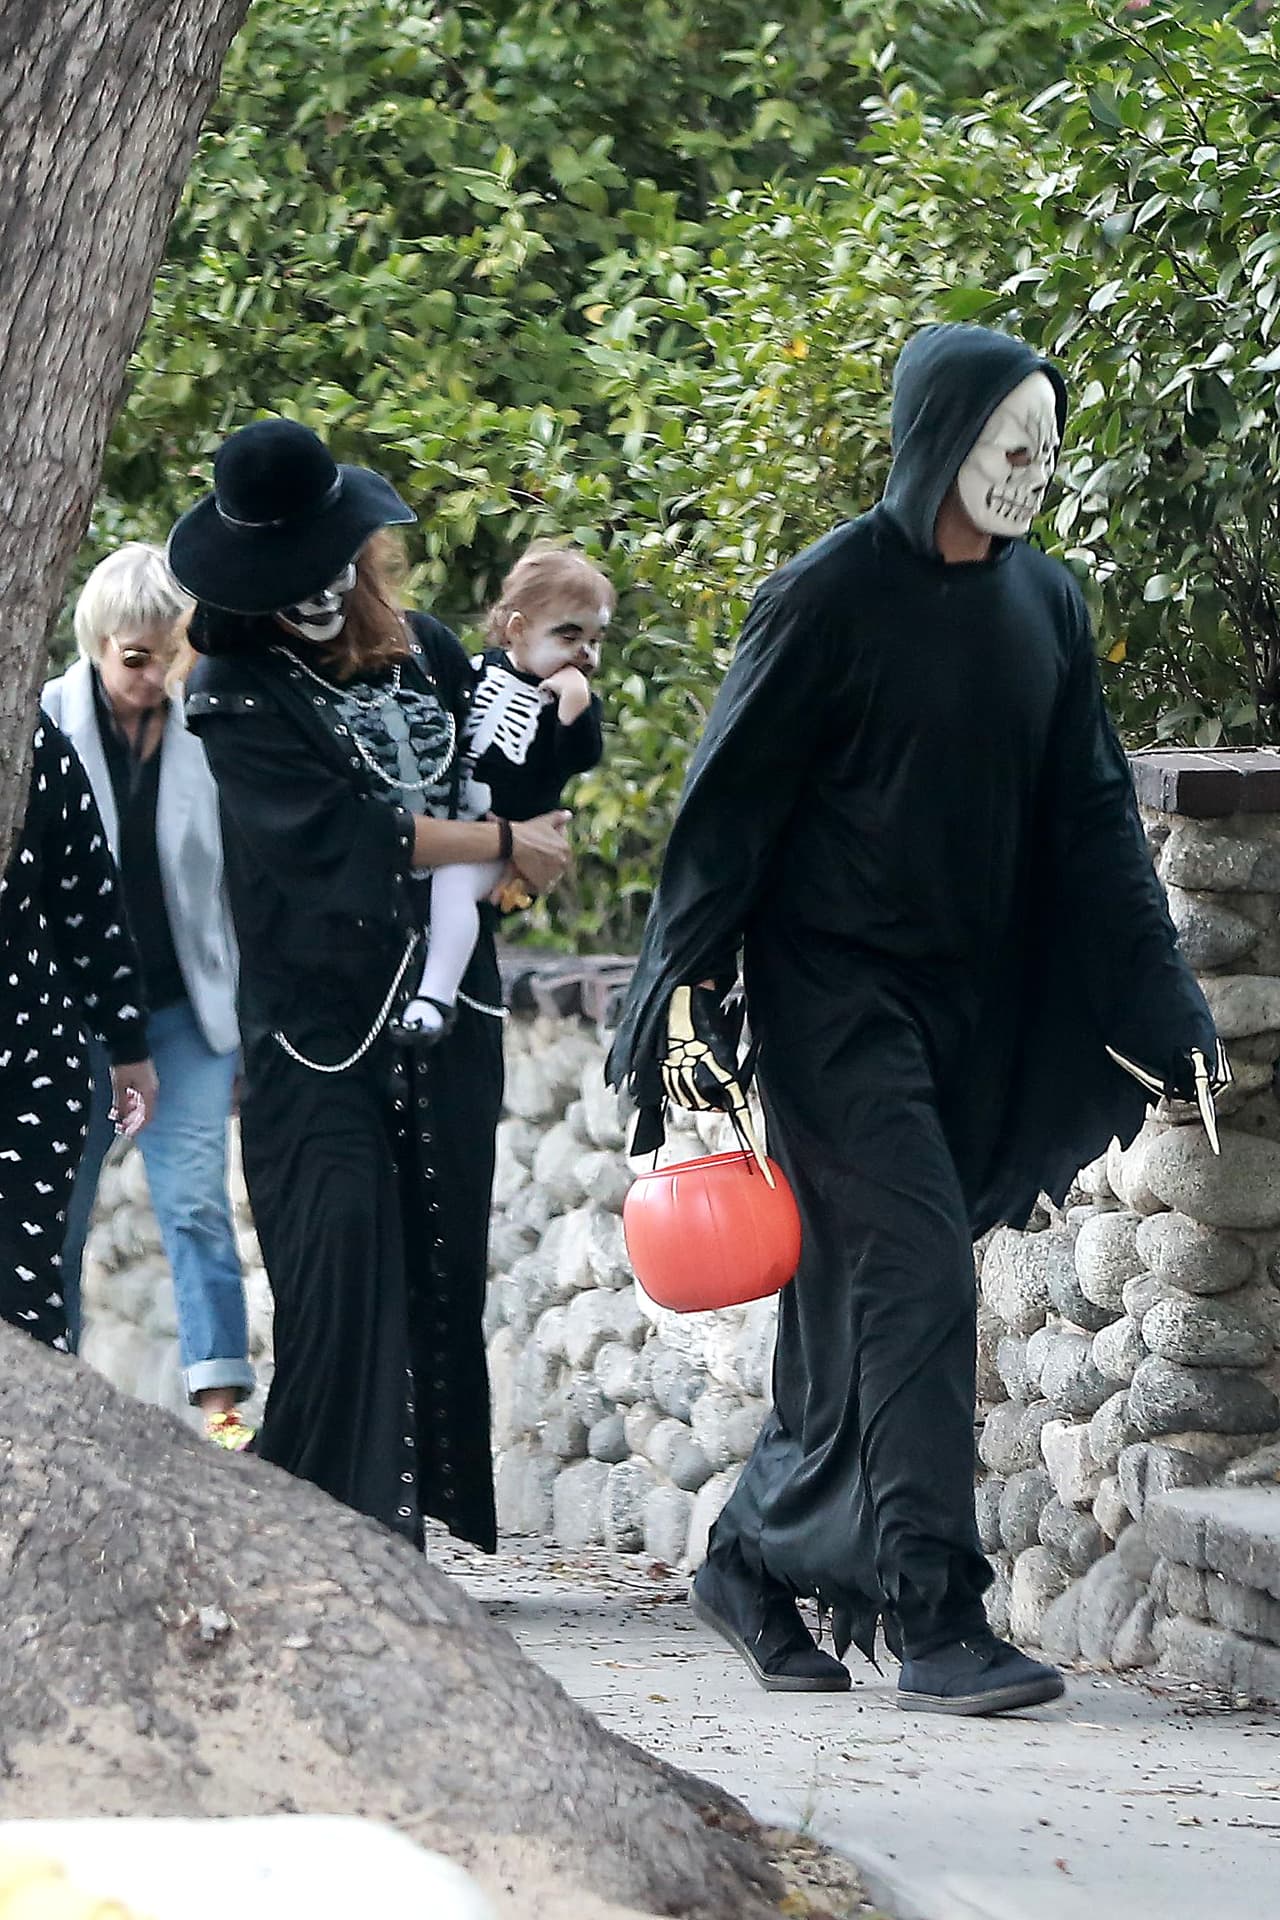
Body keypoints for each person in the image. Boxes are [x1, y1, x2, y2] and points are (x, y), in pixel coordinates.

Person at [607, 322, 1226, 1716]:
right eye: (1011, 443)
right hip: (832, 1005)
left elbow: (1091, 819)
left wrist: (1162, 998)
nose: (1030, 470)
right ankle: (933, 1614)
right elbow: (726, 812)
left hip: (969, 1010)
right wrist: (683, 997)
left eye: (1048, 448)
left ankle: (750, 1560)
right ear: (938, 439)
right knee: (920, 1282)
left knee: (860, 1304)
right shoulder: (825, 597)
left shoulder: (1045, 605)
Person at [167, 418, 573, 1549]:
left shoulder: (428, 650)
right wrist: (499, 841)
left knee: (437, 1260)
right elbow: (338, 839)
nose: (320, 590)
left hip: (444, 1010)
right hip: (314, 1024)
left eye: (332, 560)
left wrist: (527, 831)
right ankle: (330, 1528)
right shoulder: (233, 692)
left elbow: (498, 767)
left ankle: (400, 1533)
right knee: (339, 1251)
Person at [45, 544, 254, 1449]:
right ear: (96, 644)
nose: (155, 678)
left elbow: (238, 876)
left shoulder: (207, 725)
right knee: (57, 1206)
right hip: (73, 1013)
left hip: (183, 1007)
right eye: (136, 658)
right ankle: (47, 1390)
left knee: (197, 1202)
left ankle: (222, 1408)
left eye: (170, 658)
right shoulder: (44, 722)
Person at [394, 541, 610, 1045]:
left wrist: (574, 705)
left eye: (595, 640)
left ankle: (435, 998)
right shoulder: (478, 668)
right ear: (517, 629)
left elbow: (580, 757)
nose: (584, 652)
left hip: (504, 840)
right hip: (449, 823)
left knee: (453, 888)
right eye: (568, 635)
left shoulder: (571, 703)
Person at [0, 719, 157, 1351]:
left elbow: (89, 904)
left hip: (29, 1070)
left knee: (22, 1299)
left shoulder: (32, 742)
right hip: (33, 1058)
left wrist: (128, 1044)